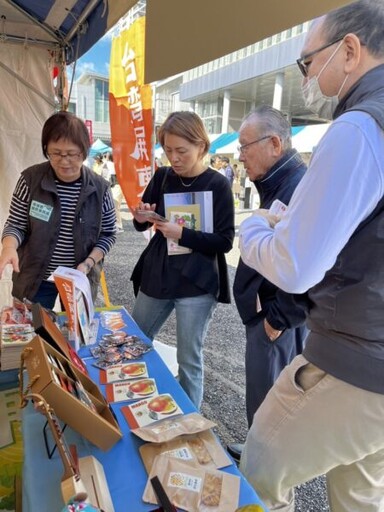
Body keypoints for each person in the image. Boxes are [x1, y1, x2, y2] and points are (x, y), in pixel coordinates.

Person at [238, 1, 384, 510]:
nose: (305, 76)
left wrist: (254, 228)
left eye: (307, 62)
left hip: (354, 356)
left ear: (348, 50)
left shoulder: (357, 129)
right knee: (359, 493)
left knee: (259, 466)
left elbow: (297, 265)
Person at [130, 111, 235, 409]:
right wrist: (141, 216)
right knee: (136, 341)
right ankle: (138, 403)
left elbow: (225, 241)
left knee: (188, 359)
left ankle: (189, 424)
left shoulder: (217, 185)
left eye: (181, 151)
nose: (173, 158)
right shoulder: (163, 177)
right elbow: (142, 223)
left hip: (197, 281)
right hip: (159, 274)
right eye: (168, 150)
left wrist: (183, 233)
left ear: (201, 146)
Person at [227, 106, 308, 462]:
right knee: (268, 395)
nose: (239, 155)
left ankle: (265, 469)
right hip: (269, 312)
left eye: (245, 146)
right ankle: (263, 456)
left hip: (274, 315)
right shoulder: (280, 182)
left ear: (275, 143)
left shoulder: (298, 187)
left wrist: (279, 318)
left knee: (271, 399)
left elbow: (310, 262)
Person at [0, 111, 117, 309]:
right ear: (46, 149)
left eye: (72, 154)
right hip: (34, 276)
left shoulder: (100, 188)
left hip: (78, 278)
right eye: (55, 153)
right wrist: (9, 247)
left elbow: (108, 234)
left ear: (84, 151)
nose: (64, 161)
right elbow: (16, 224)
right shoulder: (30, 180)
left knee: (75, 336)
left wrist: (87, 264)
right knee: (32, 332)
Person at [103, 152, 124, 233]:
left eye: (107, 156)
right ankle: (116, 224)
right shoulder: (112, 164)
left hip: (117, 186)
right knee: (113, 206)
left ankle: (119, 225)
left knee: (115, 205)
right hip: (113, 186)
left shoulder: (112, 165)